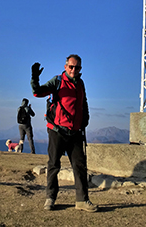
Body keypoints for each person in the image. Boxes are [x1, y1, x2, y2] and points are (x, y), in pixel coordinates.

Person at [31, 54, 97, 212]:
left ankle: (82, 200)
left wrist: (85, 120)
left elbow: (84, 103)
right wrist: (34, 78)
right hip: (57, 131)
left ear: (80, 68)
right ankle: (50, 198)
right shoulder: (57, 81)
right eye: (71, 66)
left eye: (77, 67)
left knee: (80, 165)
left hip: (75, 132)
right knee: (54, 165)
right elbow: (38, 93)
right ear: (65, 66)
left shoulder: (80, 83)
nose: (74, 70)